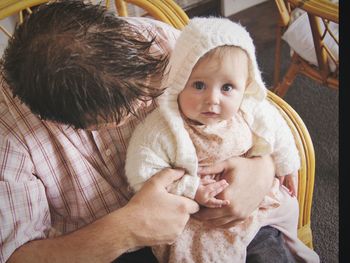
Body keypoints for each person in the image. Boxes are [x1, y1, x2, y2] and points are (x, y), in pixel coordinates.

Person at [0, 1, 294, 262]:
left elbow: (249, 101)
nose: (141, 108)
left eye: (146, 91)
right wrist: (126, 231)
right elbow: (15, 254)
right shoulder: (8, 135)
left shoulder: (157, 43)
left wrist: (261, 168)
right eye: (118, 116)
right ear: (57, 118)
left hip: (227, 209)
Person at [125, 17, 319, 262]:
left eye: (227, 87)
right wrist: (190, 188)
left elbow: (277, 129)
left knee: (269, 250)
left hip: (255, 209)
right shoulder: (162, 128)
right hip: (201, 222)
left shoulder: (250, 108)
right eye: (198, 85)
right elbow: (141, 171)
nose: (213, 99)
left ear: (245, 86)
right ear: (178, 81)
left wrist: (287, 163)